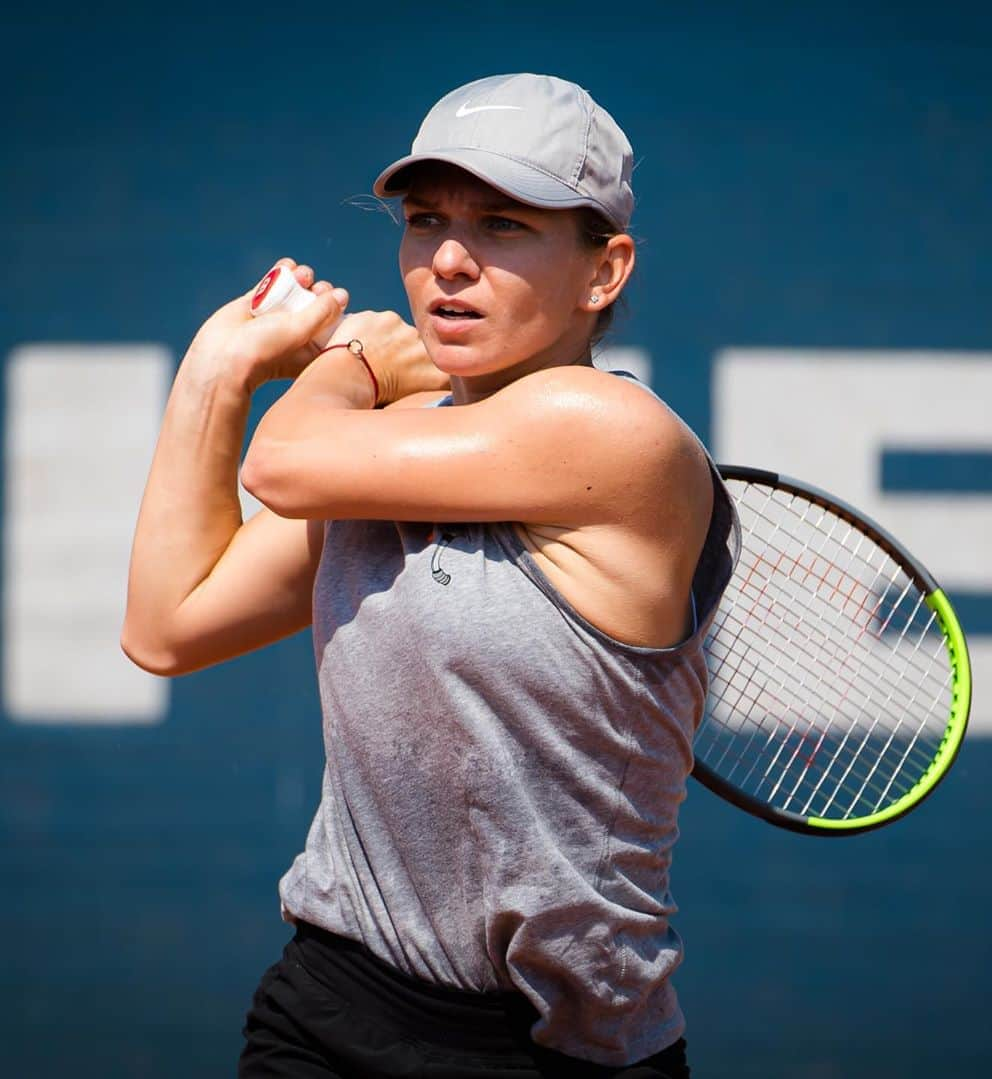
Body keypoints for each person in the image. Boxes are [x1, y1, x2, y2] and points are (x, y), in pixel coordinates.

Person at [123, 72, 736, 1078]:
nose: (448, 260)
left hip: (552, 1048)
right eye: (424, 221)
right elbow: (167, 625)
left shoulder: (617, 434)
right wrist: (217, 368)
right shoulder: (382, 448)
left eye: (502, 225)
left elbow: (280, 463)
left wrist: (354, 356)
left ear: (604, 270)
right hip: (329, 1006)